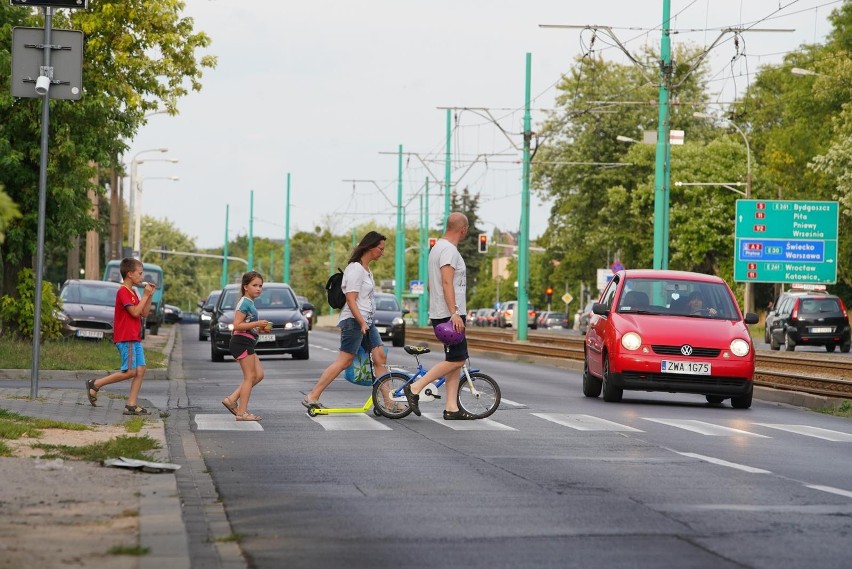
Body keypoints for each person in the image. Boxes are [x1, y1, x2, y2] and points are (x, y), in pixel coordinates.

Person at [302, 231, 389, 409]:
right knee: (345, 360)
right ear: (370, 247)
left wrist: (367, 322)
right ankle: (312, 395)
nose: (382, 252)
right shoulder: (356, 268)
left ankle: (388, 401)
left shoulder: (366, 269)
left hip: (366, 321)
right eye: (381, 249)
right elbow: (351, 299)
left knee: (380, 357)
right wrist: (362, 322)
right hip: (355, 321)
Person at [403, 212, 476, 420]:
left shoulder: (436, 248)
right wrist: (454, 312)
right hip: (449, 314)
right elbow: (446, 282)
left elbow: (429, 285)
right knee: (459, 359)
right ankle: (415, 388)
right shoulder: (449, 251)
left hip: (441, 312)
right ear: (463, 230)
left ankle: (451, 407)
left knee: (453, 359)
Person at [85, 257, 155, 415]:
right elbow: (134, 312)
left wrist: (148, 296)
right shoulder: (123, 292)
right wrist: (144, 296)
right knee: (130, 371)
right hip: (126, 337)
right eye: (140, 273)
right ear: (130, 274)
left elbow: (143, 313)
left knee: (141, 369)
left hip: (134, 337)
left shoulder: (133, 292)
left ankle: (131, 404)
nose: (142, 277)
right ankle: (95, 384)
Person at [221, 271, 272, 421]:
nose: (258, 288)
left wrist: (259, 329)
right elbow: (236, 325)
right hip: (241, 341)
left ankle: (232, 399)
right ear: (245, 287)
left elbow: (247, 324)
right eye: (254, 285)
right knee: (249, 377)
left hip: (247, 341)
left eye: (260, 286)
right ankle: (242, 413)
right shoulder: (244, 303)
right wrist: (257, 323)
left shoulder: (250, 303)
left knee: (259, 375)